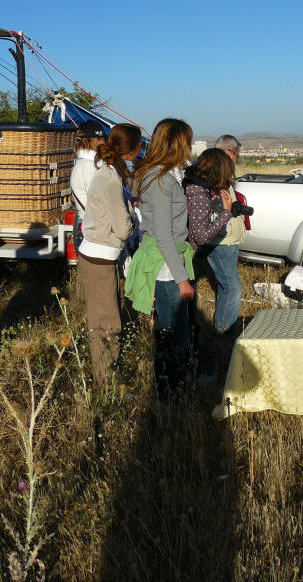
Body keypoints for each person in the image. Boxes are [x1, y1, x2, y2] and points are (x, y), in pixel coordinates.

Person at [127, 118, 195, 397]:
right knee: (171, 330)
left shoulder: (159, 175)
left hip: (169, 257)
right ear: (178, 144)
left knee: (173, 328)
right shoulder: (161, 180)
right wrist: (182, 281)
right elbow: (164, 235)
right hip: (167, 264)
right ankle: (168, 392)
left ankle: (172, 387)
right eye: (188, 141)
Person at [77, 123, 141, 391]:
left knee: (101, 318)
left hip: (96, 254)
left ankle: (105, 378)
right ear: (132, 148)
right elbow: (123, 226)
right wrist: (133, 222)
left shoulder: (105, 172)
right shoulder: (111, 179)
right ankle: (107, 386)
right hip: (101, 257)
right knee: (107, 325)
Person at [190, 134, 247, 335]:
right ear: (228, 152)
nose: (236, 160)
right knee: (232, 286)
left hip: (225, 237)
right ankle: (223, 332)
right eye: (236, 156)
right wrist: (227, 212)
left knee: (228, 284)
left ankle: (222, 330)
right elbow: (205, 222)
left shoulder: (214, 173)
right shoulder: (210, 177)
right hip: (220, 239)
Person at [69, 120, 107, 250]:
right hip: (95, 231)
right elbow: (100, 202)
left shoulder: (83, 164)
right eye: (102, 139)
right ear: (95, 140)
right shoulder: (88, 166)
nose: (104, 142)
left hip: (91, 229)